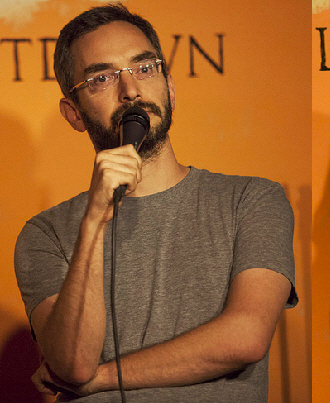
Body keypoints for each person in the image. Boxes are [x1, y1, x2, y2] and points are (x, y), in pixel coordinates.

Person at [13, 4, 296, 401]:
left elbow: (246, 337)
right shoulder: (44, 233)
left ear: (170, 87)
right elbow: (73, 363)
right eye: (102, 78)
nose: (130, 90)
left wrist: (104, 378)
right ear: (73, 113)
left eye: (145, 68)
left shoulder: (251, 199)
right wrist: (95, 218)